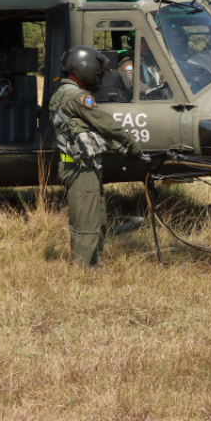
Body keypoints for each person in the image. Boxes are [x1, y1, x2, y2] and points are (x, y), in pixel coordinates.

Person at [49, 45, 144, 267]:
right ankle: (85, 273)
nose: (98, 77)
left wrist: (118, 148)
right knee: (88, 224)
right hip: (80, 168)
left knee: (97, 219)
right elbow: (105, 124)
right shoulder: (76, 97)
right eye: (97, 72)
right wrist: (130, 143)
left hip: (79, 166)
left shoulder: (64, 93)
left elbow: (87, 131)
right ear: (86, 69)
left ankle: (93, 267)